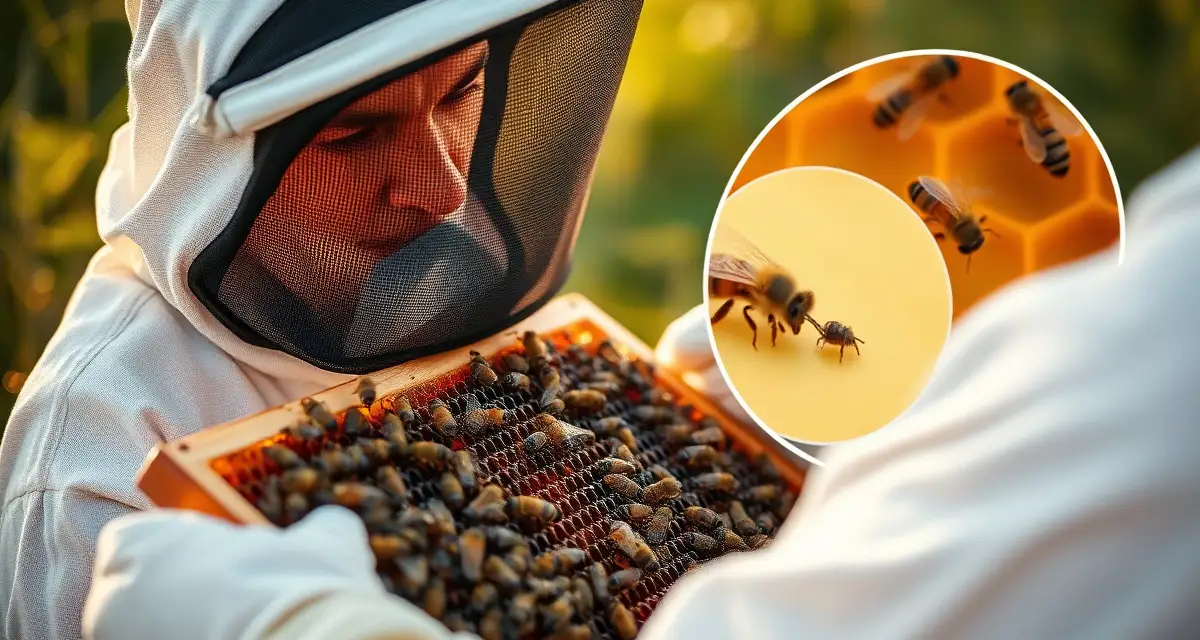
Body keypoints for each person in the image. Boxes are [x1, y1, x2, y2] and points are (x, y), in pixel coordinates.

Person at [81, 142, 1200, 639]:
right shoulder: (101, 428)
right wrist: (905, 465)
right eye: (361, 126)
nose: (431, 183)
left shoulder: (1161, 385)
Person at [0, 0, 645, 637]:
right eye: (351, 133)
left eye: (458, 94)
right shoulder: (102, 447)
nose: (442, 188)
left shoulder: (435, 263)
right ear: (210, 158)